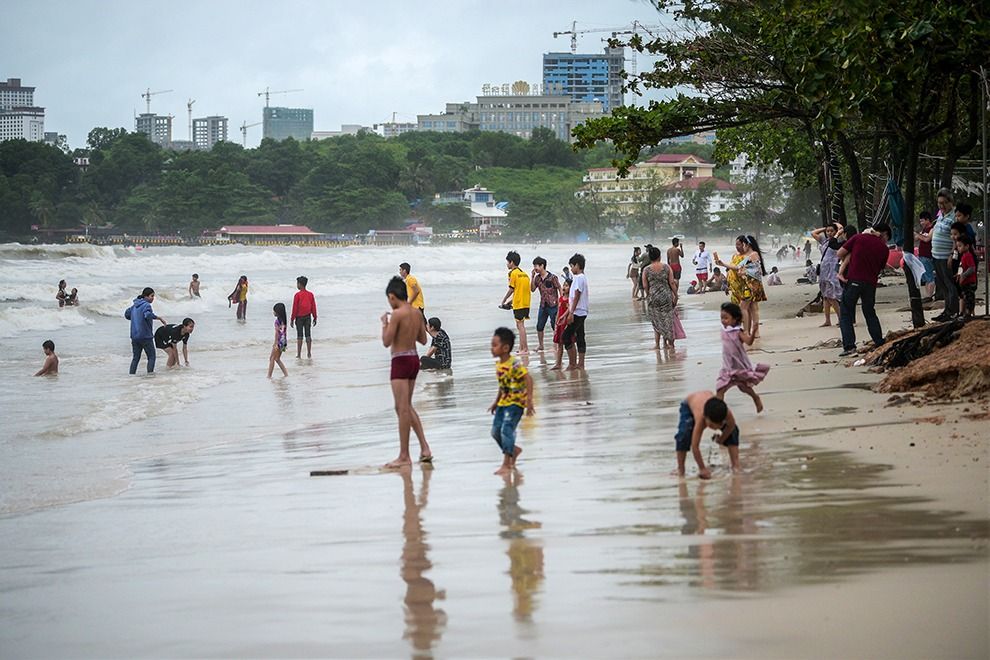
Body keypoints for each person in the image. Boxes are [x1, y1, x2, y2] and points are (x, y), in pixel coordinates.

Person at [381, 276, 432, 468]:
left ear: (392, 296)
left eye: (389, 299)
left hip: (400, 360)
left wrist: (384, 323)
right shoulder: (416, 313)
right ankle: (424, 448)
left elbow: (386, 341)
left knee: (402, 409)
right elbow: (424, 340)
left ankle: (404, 455)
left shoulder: (398, 314)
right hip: (413, 359)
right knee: (405, 407)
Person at [837, 223, 892, 357]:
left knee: (846, 313)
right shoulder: (884, 249)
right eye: (887, 238)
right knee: (869, 312)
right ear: (884, 234)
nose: (886, 241)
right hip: (870, 284)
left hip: (854, 280)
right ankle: (879, 341)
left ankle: (850, 346)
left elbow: (839, 253)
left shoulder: (858, 238)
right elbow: (880, 267)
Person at [488, 327, 535, 476]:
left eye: (495, 345)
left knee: (506, 430)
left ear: (506, 348)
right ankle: (513, 450)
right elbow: (503, 387)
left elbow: (528, 378)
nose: (492, 348)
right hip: (503, 403)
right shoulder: (499, 365)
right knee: (495, 431)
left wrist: (529, 400)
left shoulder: (514, 364)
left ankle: (506, 464)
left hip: (516, 404)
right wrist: (496, 402)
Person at [716, 302, 769, 412]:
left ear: (735, 319)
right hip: (727, 367)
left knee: (744, 388)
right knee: (720, 389)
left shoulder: (737, 332)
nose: (723, 320)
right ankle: (719, 412)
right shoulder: (723, 331)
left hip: (739, 367)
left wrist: (753, 332)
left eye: (726, 318)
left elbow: (749, 342)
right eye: (722, 318)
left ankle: (755, 398)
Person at [675, 391, 739, 479]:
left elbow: (731, 426)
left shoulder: (727, 413)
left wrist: (721, 440)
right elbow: (695, 446)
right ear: (705, 418)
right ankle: (680, 469)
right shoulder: (700, 419)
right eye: (711, 425)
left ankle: (735, 465)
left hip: (711, 404)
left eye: (719, 425)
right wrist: (702, 468)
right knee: (683, 435)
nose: (715, 428)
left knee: (733, 432)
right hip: (689, 405)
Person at [715, 235, 767, 340]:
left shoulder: (753, 254)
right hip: (753, 284)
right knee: (753, 308)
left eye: (743, 244)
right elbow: (740, 268)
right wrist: (723, 264)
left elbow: (740, 267)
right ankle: (755, 332)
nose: (742, 247)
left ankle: (748, 332)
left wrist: (724, 264)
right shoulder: (752, 255)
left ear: (747, 245)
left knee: (744, 307)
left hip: (751, 285)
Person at [642, 246, 677, 350]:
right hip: (666, 296)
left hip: (653, 297)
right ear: (659, 256)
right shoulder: (666, 267)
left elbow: (645, 286)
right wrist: (675, 294)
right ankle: (669, 343)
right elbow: (671, 282)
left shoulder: (646, 269)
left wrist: (649, 294)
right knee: (667, 319)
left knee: (656, 320)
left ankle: (657, 345)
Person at [124, 287, 166, 374]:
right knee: (151, 357)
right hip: (145, 336)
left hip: (134, 336)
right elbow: (147, 315)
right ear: (145, 296)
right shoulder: (147, 305)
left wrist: (136, 317)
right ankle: (150, 376)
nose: (153, 298)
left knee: (136, 358)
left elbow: (127, 315)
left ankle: (131, 376)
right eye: (151, 296)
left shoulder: (134, 306)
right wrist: (159, 318)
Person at [931, 188, 957, 321]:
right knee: (942, 285)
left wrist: (952, 255)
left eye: (944, 203)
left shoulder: (954, 216)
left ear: (950, 202)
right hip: (936, 255)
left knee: (949, 284)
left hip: (946, 256)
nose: (941, 206)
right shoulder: (940, 215)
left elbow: (957, 238)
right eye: (939, 203)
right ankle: (946, 311)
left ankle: (953, 311)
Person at [812, 223, 843, 326]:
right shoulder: (824, 241)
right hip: (823, 271)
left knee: (831, 296)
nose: (829, 233)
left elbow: (841, 228)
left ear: (836, 232)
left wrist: (837, 230)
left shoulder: (838, 241)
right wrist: (825, 228)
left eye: (831, 231)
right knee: (825, 296)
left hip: (832, 271)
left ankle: (840, 319)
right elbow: (814, 233)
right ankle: (827, 320)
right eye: (828, 231)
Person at [561, 253, 589, 370]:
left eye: (572, 266)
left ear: (577, 265)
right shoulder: (582, 277)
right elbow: (573, 298)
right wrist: (565, 314)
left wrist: (571, 313)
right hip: (581, 310)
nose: (571, 269)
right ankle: (580, 363)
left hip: (578, 312)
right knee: (580, 336)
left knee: (566, 336)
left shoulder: (578, 278)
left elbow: (576, 296)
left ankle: (573, 363)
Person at [500, 251, 531, 354]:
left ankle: (525, 349)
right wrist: (510, 302)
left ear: (512, 262)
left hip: (519, 303)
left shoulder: (512, 273)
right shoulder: (524, 274)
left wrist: (504, 300)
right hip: (526, 303)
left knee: (520, 326)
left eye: (507, 262)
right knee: (520, 325)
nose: (507, 264)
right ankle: (522, 347)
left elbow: (511, 289)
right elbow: (520, 291)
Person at [531, 257, 560, 352]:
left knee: (554, 325)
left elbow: (559, 288)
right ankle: (540, 345)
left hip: (553, 305)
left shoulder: (552, 277)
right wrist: (532, 277)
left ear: (542, 265)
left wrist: (561, 301)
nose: (535, 268)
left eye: (536, 266)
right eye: (534, 266)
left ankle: (555, 346)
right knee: (539, 326)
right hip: (543, 305)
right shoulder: (537, 278)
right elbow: (532, 289)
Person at [290, 275, 318, 359]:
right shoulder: (310, 294)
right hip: (308, 317)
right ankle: (309, 353)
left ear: (300, 284)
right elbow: (313, 306)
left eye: (297, 283)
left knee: (299, 336)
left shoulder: (297, 295)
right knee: (308, 335)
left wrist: (292, 319)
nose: (297, 285)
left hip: (299, 318)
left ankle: (299, 354)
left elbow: (295, 308)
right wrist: (315, 317)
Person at [914, 212, 936, 300]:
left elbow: (927, 239)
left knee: (929, 277)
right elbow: (916, 238)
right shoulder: (923, 230)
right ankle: (928, 295)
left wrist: (918, 235)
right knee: (926, 277)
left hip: (928, 256)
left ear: (927, 220)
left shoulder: (932, 229)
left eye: (922, 221)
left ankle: (930, 295)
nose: (921, 223)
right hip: (922, 256)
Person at [550, 279, 570, 371]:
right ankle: (558, 363)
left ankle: (571, 362)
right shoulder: (561, 298)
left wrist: (565, 319)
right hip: (559, 323)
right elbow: (558, 310)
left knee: (569, 343)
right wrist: (556, 323)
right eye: (564, 285)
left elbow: (570, 310)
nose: (564, 287)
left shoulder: (570, 299)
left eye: (566, 285)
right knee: (559, 344)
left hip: (566, 323)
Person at [956, 233, 977, 319]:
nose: (958, 248)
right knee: (965, 297)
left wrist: (964, 276)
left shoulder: (968, 256)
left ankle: (968, 314)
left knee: (969, 298)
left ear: (967, 246)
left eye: (960, 246)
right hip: (964, 282)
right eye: (958, 246)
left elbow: (972, 268)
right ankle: (965, 313)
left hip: (969, 282)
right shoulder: (963, 256)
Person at [268, 303, 289, 378]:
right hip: (283, 341)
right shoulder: (284, 320)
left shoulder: (277, 321)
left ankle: (269, 376)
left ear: (278, 312)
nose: (273, 312)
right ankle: (286, 374)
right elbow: (283, 332)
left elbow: (277, 333)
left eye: (274, 311)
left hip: (279, 341)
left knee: (272, 358)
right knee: (277, 359)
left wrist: (275, 343)